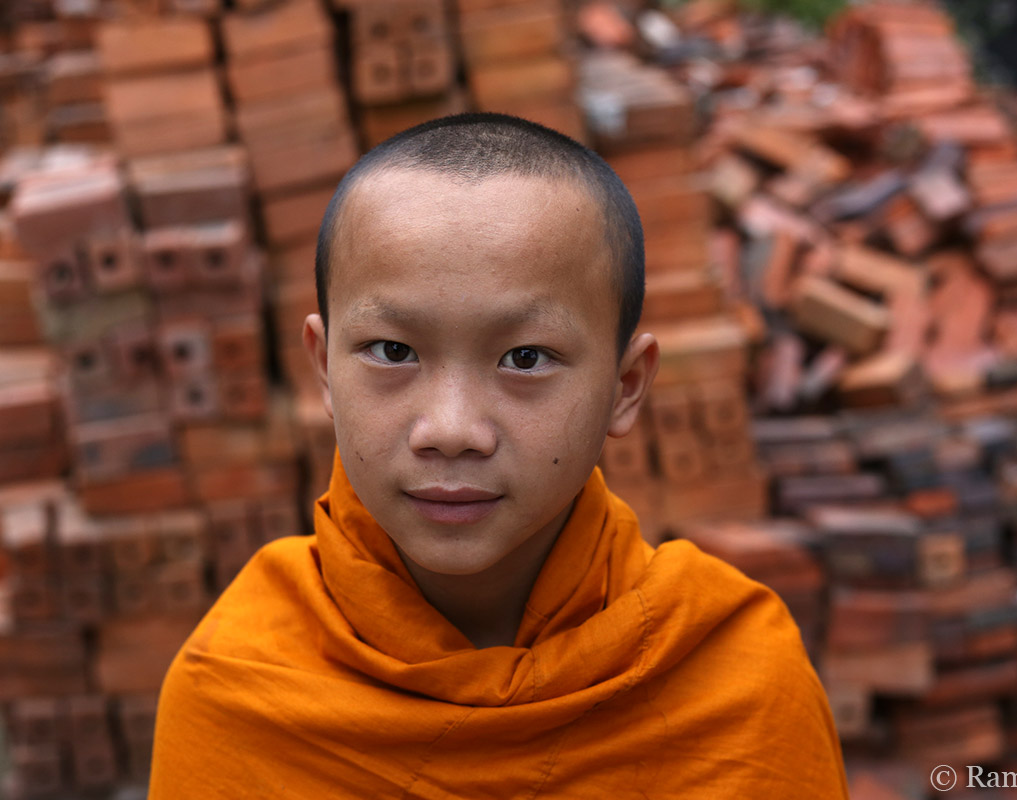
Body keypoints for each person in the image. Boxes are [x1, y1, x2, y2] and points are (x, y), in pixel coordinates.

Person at [149, 112, 849, 798]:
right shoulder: (236, 688)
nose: (451, 430)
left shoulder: (734, 683)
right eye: (393, 352)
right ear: (324, 370)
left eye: (525, 358)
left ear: (625, 387)